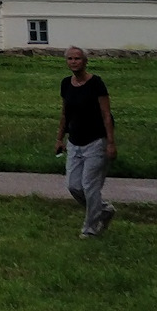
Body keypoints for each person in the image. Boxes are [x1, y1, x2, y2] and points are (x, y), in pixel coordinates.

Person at [54, 47, 116, 237]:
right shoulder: (66, 84)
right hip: (74, 142)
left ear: (85, 61)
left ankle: (90, 229)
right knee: (74, 186)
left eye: (78, 58)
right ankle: (104, 210)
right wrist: (59, 138)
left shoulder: (96, 83)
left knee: (90, 187)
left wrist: (111, 142)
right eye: (70, 59)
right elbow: (65, 113)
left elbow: (106, 114)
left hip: (96, 142)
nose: (73, 62)